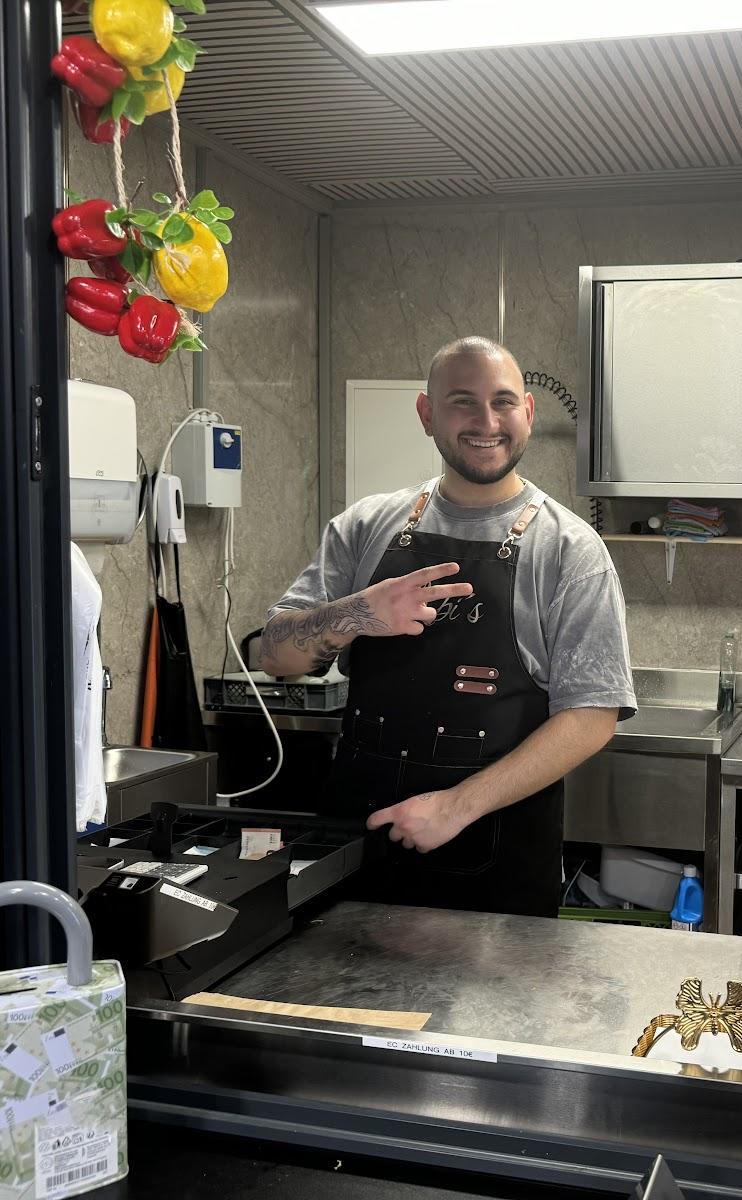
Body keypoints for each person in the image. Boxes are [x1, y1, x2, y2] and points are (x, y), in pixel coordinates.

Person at [258, 336, 635, 917]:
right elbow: (273, 656)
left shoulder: (569, 550)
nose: (487, 421)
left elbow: (592, 716)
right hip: (354, 849)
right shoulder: (364, 526)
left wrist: (456, 807)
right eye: (463, 402)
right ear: (427, 413)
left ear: (528, 412)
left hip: (497, 867)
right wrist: (359, 613)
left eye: (503, 402)